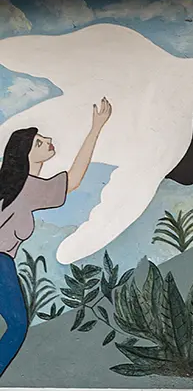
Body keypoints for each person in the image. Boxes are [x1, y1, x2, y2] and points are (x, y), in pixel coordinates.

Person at [0, 98, 112, 376]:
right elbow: (73, 179)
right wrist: (96, 128)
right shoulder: (27, 188)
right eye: (39, 142)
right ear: (25, 154)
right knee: (16, 325)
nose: (48, 140)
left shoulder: (20, 187)